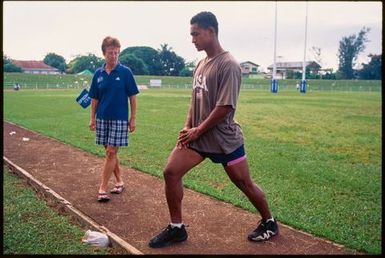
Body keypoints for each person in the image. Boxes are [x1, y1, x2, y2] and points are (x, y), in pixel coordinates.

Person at [148, 11, 279, 248]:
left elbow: (225, 107)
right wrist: (188, 127)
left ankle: (269, 222)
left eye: (196, 34)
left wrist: (198, 130)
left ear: (211, 31)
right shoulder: (201, 63)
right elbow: (195, 98)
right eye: (191, 34)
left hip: (224, 139)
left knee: (244, 184)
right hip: (198, 138)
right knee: (171, 172)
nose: (193, 39)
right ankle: (177, 229)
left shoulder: (228, 65)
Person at [88, 36, 139, 202]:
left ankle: (102, 188)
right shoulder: (98, 74)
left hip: (119, 119)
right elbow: (94, 98)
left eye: (116, 53)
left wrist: (133, 118)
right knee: (110, 153)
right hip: (102, 118)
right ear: (104, 54)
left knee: (111, 152)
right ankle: (119, 181)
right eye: (110, 53)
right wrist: (92, 118)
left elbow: (132, 97)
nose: (114, 56)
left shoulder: (125, 72)